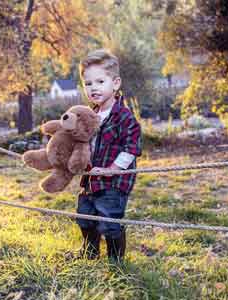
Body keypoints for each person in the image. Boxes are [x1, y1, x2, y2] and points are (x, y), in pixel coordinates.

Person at [76, 49, 142, 262]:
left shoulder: (124, 117)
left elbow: (132, 148)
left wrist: (111, 170)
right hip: (90, 179)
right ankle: (90, 252)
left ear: (115, 83)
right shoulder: (90, 115)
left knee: (109, 221)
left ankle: (116, 260)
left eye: (100, 81)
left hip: (114, 182)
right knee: (85, 217)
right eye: (88, 83)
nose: (93, 87)